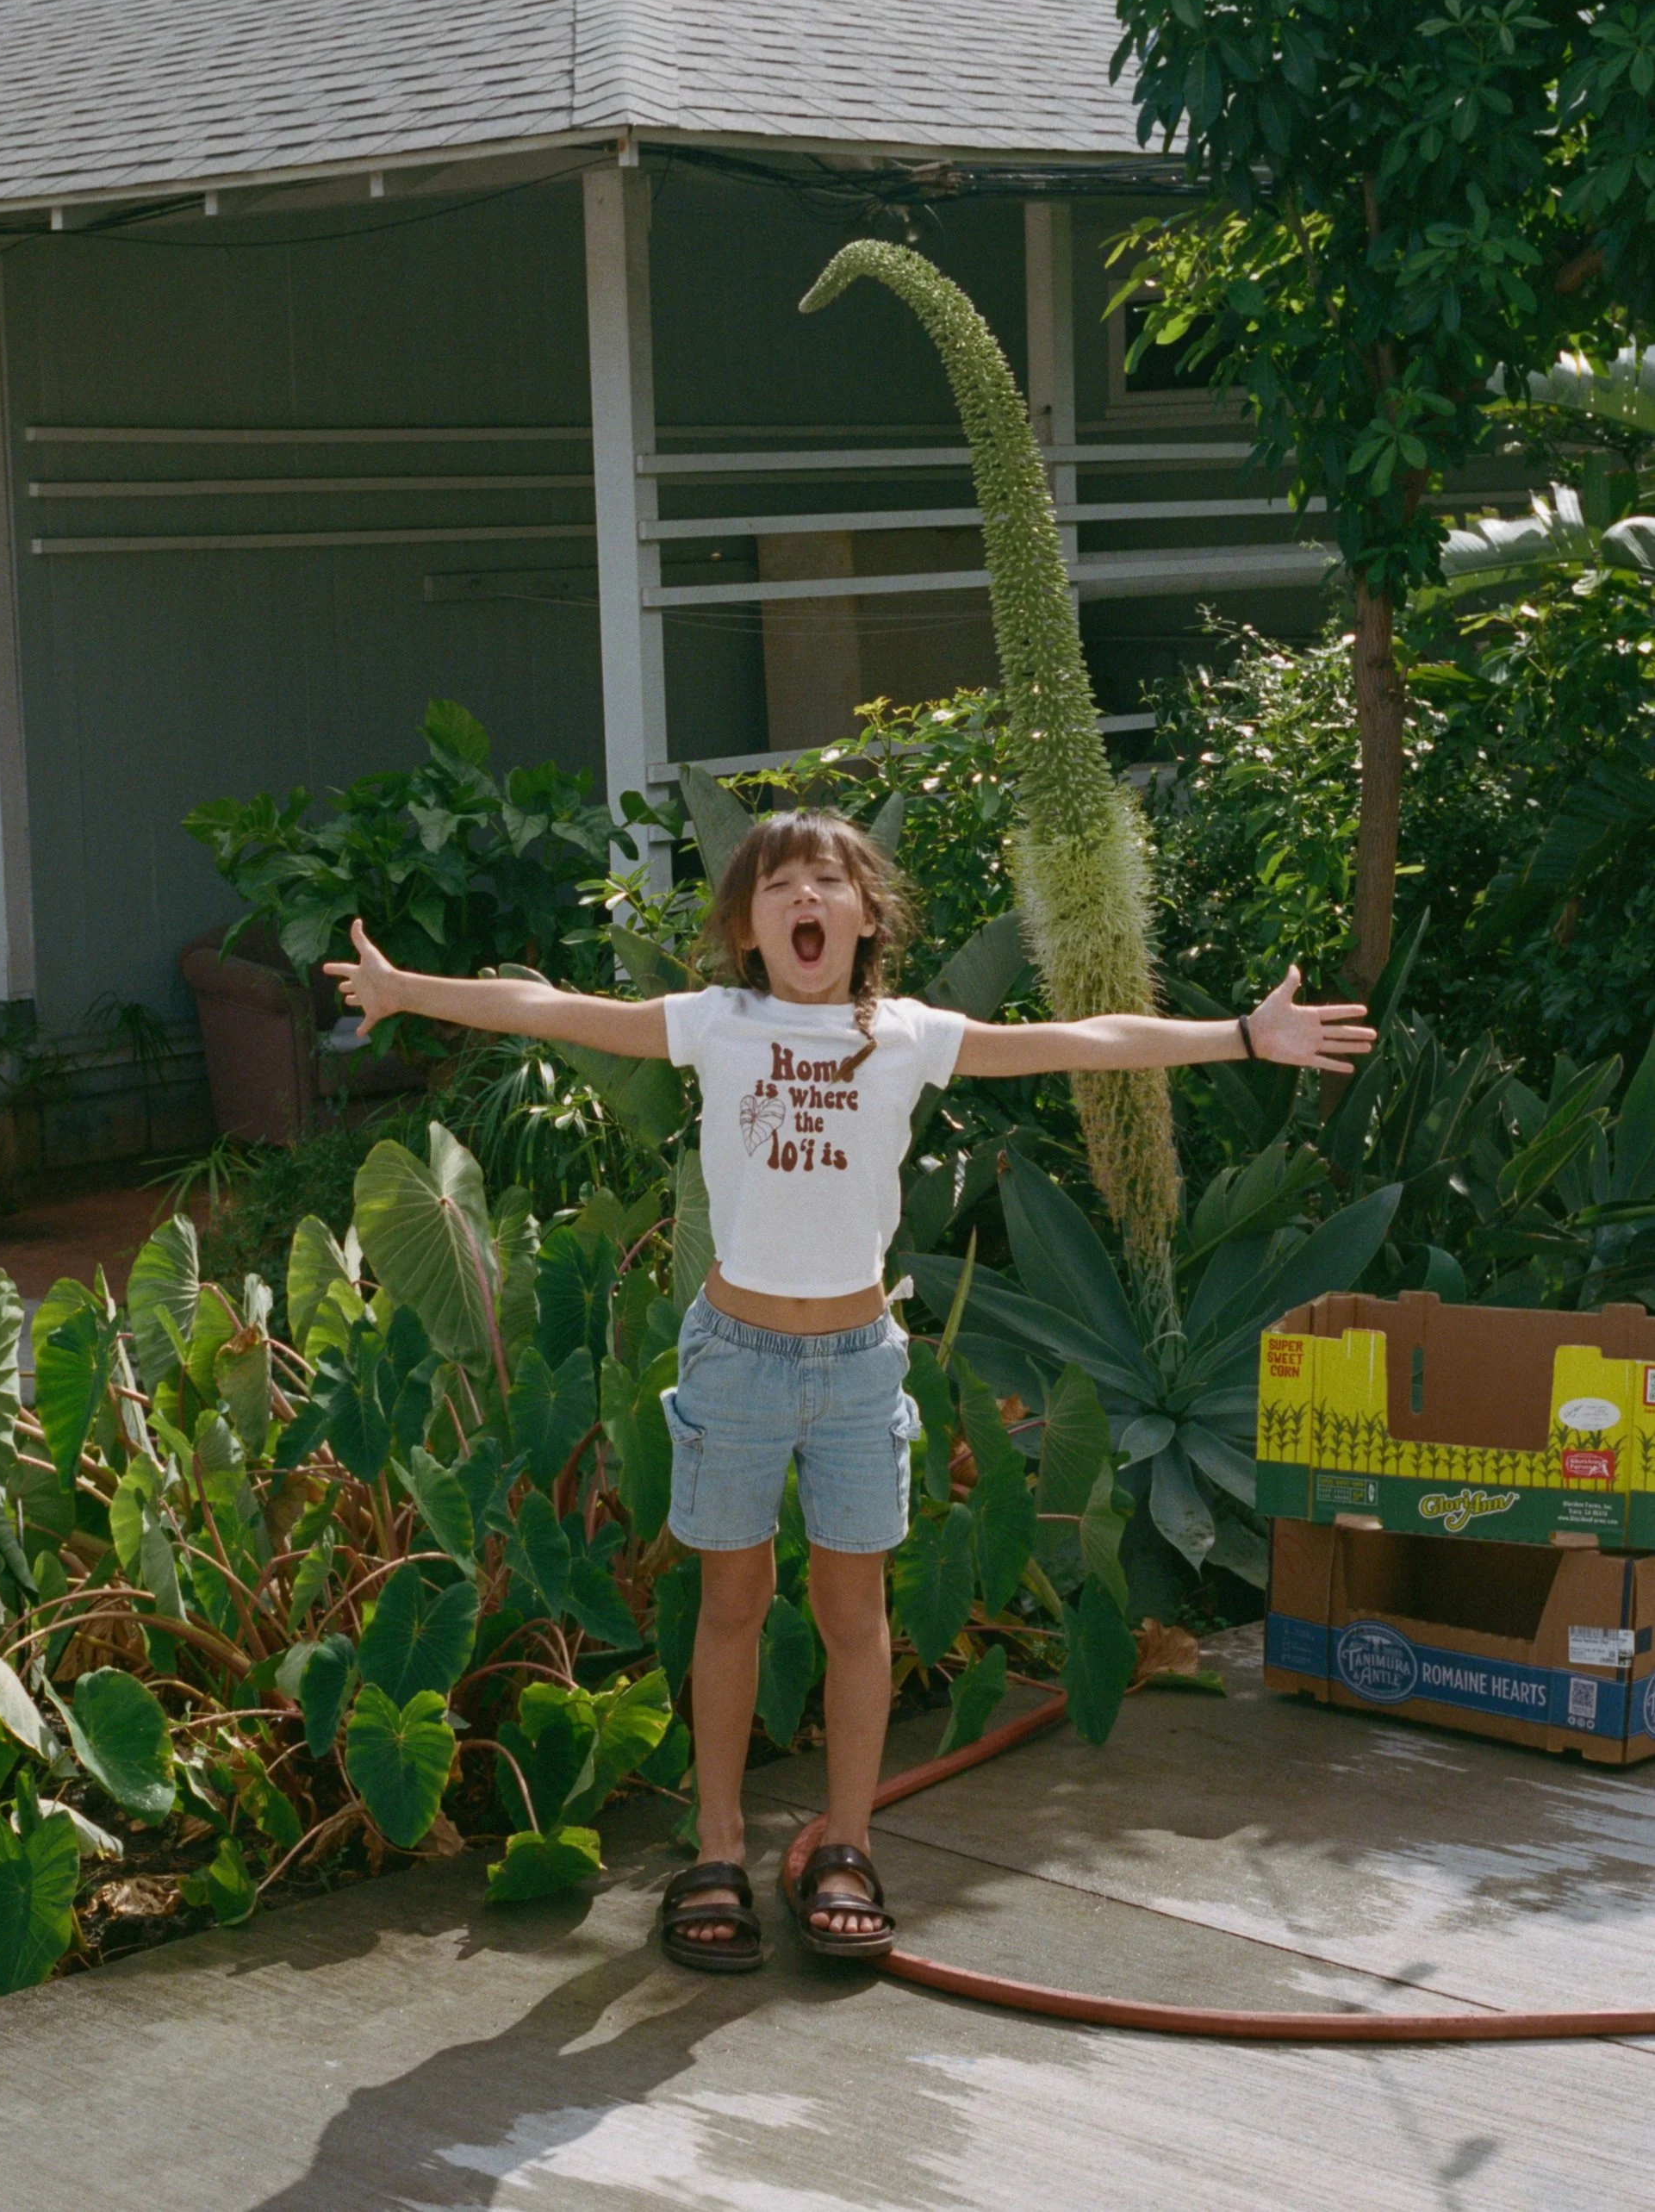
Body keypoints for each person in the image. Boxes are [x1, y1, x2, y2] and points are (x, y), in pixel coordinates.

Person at [326, 808, 1373, 1973]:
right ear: (745, 927)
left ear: (865, 914)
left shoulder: (907, 1035)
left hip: (857, 1361)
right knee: (728, 1607)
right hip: (735, 1354)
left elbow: (1082, 1036)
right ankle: (716, 1850)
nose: (803, 899)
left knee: (853, 1616)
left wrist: (1240, 1034)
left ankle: (846, 1846)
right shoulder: (714, 1023)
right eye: (777, 886)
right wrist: (407, 990)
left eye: (826, 880)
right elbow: (553, 1008)